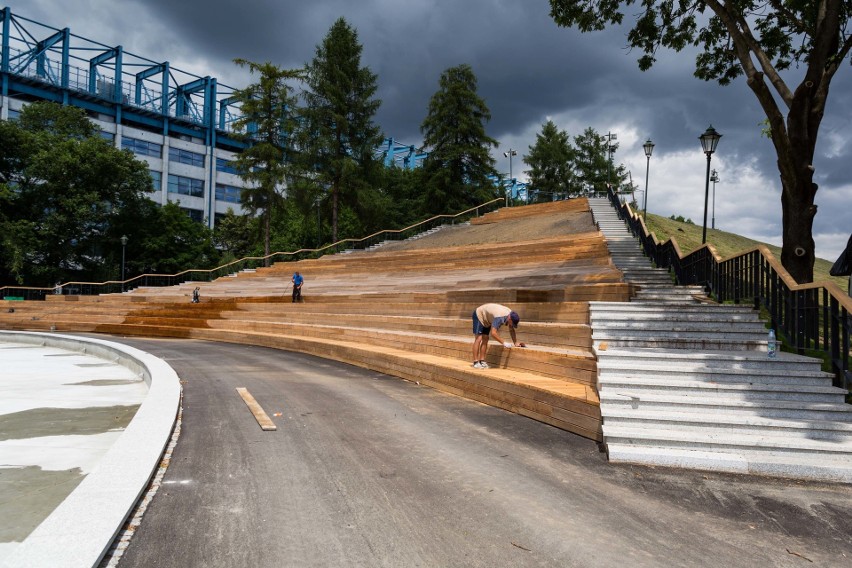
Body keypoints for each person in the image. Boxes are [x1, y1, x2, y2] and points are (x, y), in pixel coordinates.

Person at [471, 303, 525, 369]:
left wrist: (515, 342)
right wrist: (504, 343)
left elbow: (511, 330)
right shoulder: (499, 317)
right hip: (479, 314)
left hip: (487, 319)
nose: (511, 326)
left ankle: (482, 361)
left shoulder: (510, 315)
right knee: (479, 338)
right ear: (510, 319)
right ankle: (475, 362)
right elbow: (493, 333)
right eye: (512, 324)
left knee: (485, 338)